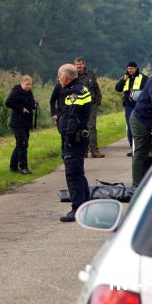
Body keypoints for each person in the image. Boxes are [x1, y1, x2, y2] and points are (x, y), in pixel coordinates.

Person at [57, 64, 92, 222]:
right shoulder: (81, 89)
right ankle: (86, 204)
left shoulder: (74, 93)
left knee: (72, 174)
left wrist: (68, 139)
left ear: (66, 77)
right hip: (79, 138)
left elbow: (73, 118)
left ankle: (77, 208)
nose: (58, 79)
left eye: (59, 76)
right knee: (78, 172)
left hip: (74, 139)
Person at [5, 75, 38, 175]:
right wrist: (21, 109)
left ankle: (13, 167)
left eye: (30, 84)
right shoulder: (17, 91)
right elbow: (8, 102)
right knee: (23, 144)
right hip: (17, 123)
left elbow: (31, 105)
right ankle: (23, 167)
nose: (28, 86)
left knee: (21, 144)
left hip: (26, 123)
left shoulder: (29, 92)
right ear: (22, 83)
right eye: (26, 84)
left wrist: (35, 105)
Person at [115, 61, 148, 156]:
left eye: (131, 69)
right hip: (129, 106)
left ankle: (138, 148)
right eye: (128, 69)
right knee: (130, 127)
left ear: (136, 68)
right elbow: (117, 88)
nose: (129, 70)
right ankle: (132, 147)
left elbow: (148, 89)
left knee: (137, 126)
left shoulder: (143, 78)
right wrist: (123, 80)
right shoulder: (125, 78)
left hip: (139, 106)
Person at [74, 57, 104, 158]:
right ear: (75, 65)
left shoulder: (91, 74)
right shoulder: (72, 76)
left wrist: (97, 102)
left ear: (84, 65)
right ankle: (84, 151)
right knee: (81, 127)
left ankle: (94, 151)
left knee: (92, 127)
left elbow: (96, 88)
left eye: (80, 64)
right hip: (78, 106)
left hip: (91, 105)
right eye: (77, 64)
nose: (79, 66)